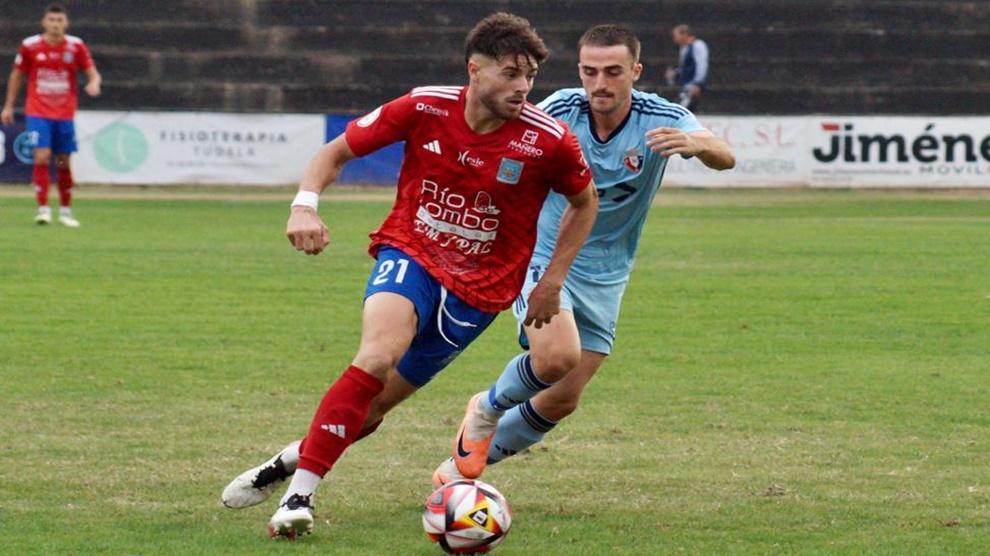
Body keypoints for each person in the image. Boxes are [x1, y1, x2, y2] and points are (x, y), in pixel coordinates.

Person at [221, 12, 598, 540]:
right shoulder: (425, 106)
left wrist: (552, 281)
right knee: (376, 356)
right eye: (511, 73)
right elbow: (336, 152)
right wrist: (303, 206)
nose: (523, 87)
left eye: (530, 76)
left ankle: (281, 464)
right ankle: (298, 497)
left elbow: (585, 204)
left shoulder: (548, 140)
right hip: (412, 251)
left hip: (482, 291)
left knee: (371, 411)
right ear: (475, 69)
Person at [434, 24, 734, 485]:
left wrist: (699, 144)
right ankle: (485, 409)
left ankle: (457, 474)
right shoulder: (560, 109)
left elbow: (724, 155)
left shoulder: (659, 116)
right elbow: (501, 136)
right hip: (545, 255)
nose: (600, 83)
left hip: (609, 271)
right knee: (555, 357)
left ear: (635, 71)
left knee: (562, 397)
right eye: (589, 71)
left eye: (613, 72)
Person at [1, 3, 101, 227]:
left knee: (64, 162)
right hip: (38, 110)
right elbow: (17, 76)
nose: (55, 24)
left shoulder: (76, 46)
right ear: (44, 22)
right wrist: (8, 106)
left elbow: (92, 72)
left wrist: (93, 83)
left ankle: (66, 210)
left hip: (65, 113)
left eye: (59, 20)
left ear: (66, 23)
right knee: (42, 156)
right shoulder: (30, 46)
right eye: (51, 20)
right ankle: (43, 208)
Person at [665, 24, 708, 111]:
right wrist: (676, 73)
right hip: (686, 85)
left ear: (684, 34)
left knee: (682, 110)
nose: (674, 39)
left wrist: (697, 83)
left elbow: (701, 65)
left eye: (676, 36)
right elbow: (685, 67)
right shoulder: (684, 48)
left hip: (692, 85)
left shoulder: (698, 45)